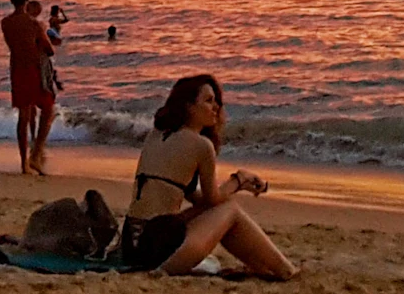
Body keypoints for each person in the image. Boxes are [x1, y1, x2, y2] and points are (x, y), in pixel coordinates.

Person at [120, 73, 296, 278]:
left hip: (132, 244)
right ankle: (284, 269)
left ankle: (266, 268)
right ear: (188, 106)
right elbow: (214, 200)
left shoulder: (158, 134)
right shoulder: (201, 145)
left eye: (217, 102)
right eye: (208, 101)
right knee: (229, 210)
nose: (216, 108)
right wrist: (238, 180)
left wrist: (238, 185)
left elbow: (197, 200)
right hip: (158, 247)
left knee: (222, 209)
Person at [1, 0, 55, 175]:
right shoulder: (34, 24)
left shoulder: (5, 23)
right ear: (26, 0)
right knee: (48, 110)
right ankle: (37, 151)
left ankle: (24, 162)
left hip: (16, 70)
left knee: (23, 117)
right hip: (33, 70)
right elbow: (49, 50)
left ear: (11, 0)